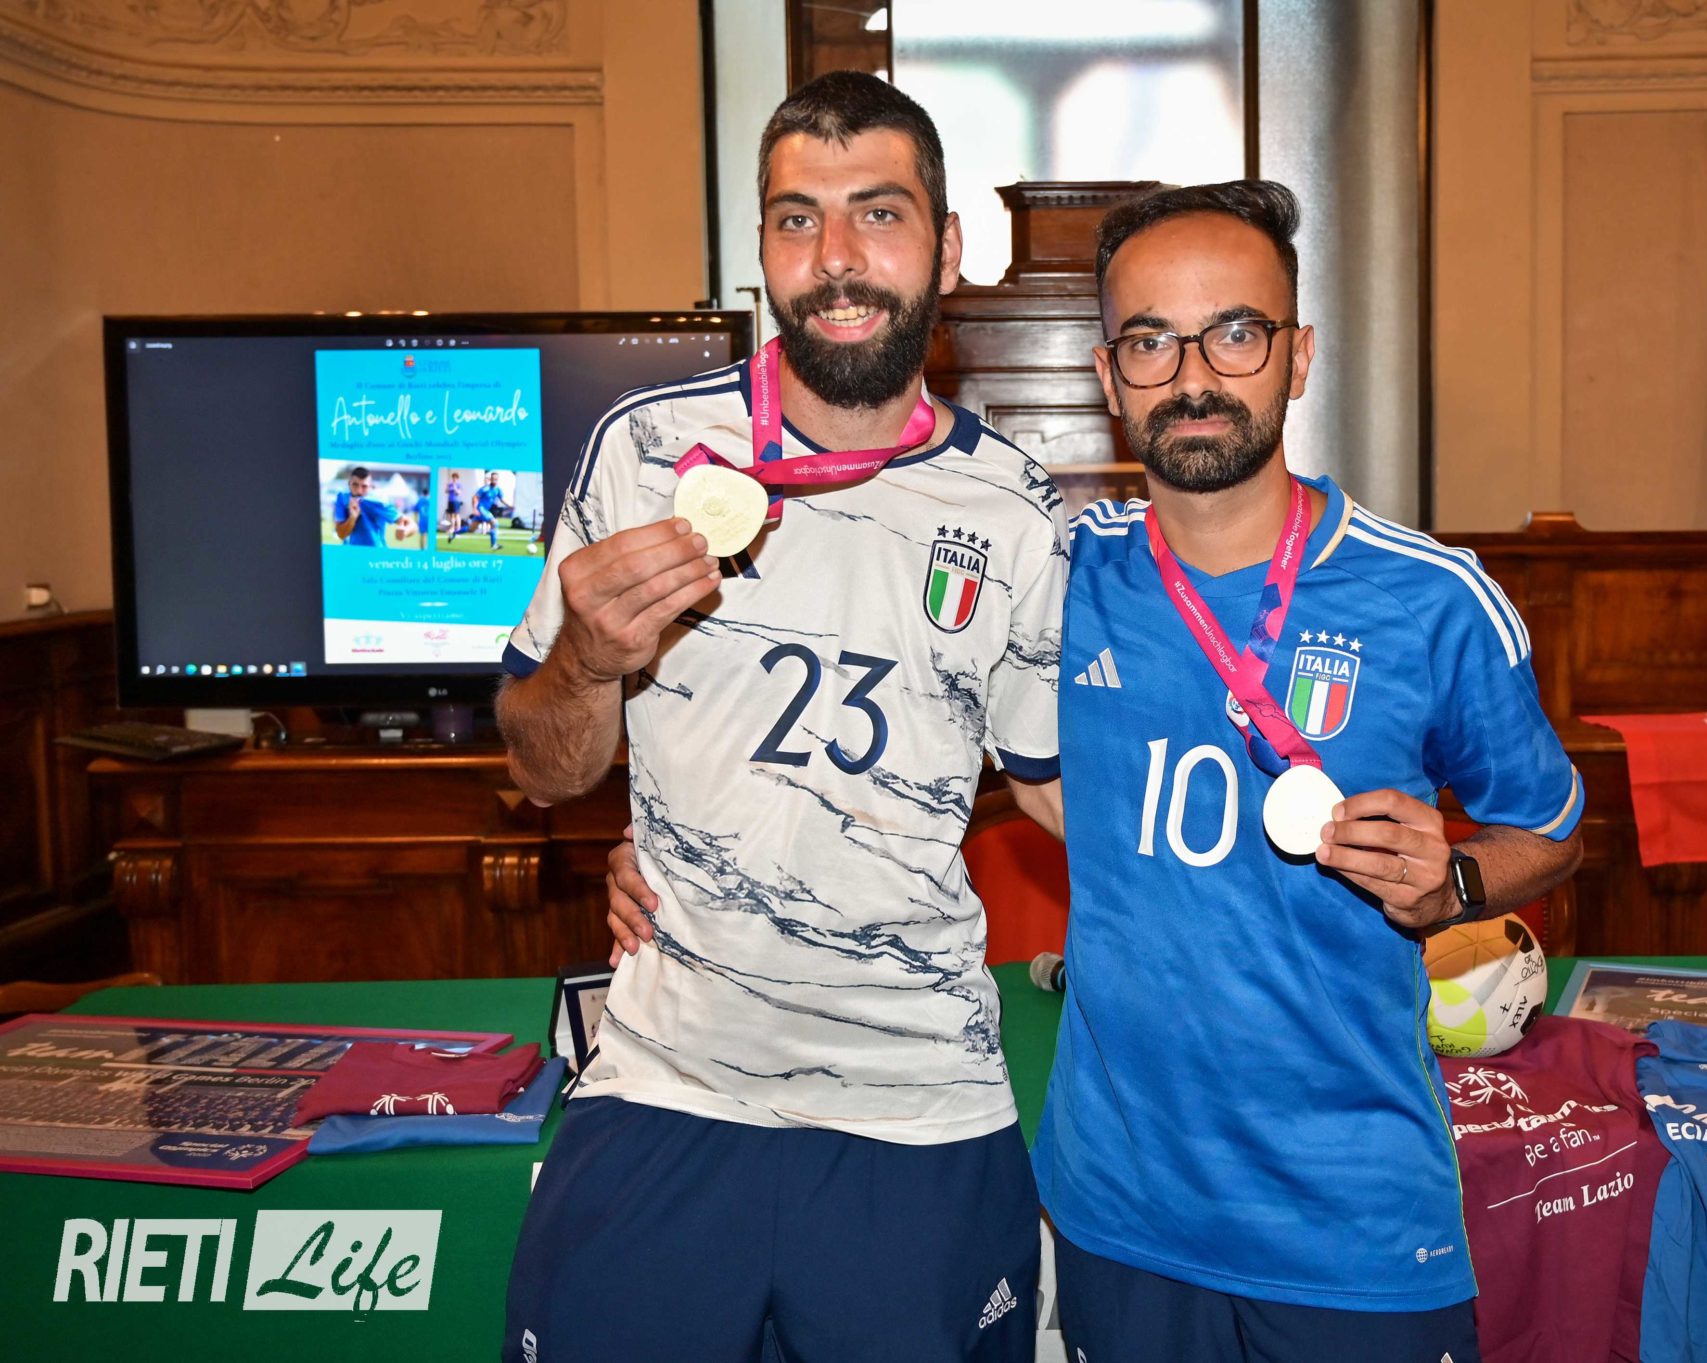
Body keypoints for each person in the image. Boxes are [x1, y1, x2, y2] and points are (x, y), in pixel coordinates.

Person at [599, 178, 1585, 1363]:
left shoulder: (1432, 599)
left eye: (1234, 332)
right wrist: (672, 830)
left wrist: (1453, 885)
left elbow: (1549, 829)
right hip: (1120, 1217)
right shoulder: (1059, 577)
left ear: (1298, 354)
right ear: (1108, 377)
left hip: (1354, 1225)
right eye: (1150, 342)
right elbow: (877, 720)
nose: (1192, 377)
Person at [497, 71, 1065, 1363]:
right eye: (797, 219)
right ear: (759, 245)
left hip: (917, 1097)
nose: (837, 257)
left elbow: (1056, 788)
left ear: (946, 248)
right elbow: (542, 766)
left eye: (878, 213)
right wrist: (583, 660)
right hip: (668, 1079)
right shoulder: (647, 451)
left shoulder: (1017, 510)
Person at [332, 465, 393, 546]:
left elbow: (400, 520)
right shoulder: (344, 498)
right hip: (351, 549)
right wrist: (352, 517)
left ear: (371, 487)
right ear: (349, 484)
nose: (359, 490)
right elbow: (341, 534)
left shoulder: (380, 500)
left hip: (376, 550)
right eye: (355, 485)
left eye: (364, 486)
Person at [466, 470, 509, 549]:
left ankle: (454, 533)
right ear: (490, 479)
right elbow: (475, 497)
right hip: (481, 509)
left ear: (498, 479)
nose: (494, 480)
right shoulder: (485, 488)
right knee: (494, 523)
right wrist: (474, 509)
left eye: (496, 479)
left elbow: (502, 499)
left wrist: (509, 505)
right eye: (493, 479)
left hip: (485, 510)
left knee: (471, 529)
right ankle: (493, 545)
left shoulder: (498, 490)